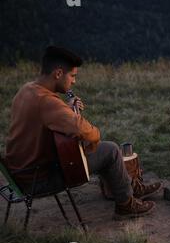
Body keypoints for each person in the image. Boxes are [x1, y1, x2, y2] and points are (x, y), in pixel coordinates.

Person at [4, 46, 161, 220]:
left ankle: (130, 189)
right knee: (110, 150)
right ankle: (125, 205)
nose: (74, 82)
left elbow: (46, 122)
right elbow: (90, 133)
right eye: (72, 76)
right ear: (58, 73)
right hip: (38, 180)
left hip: (19, 174)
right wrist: (85, 131)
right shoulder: (46, 102)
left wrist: (68, 111)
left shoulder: (26, 90)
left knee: (97, 151)